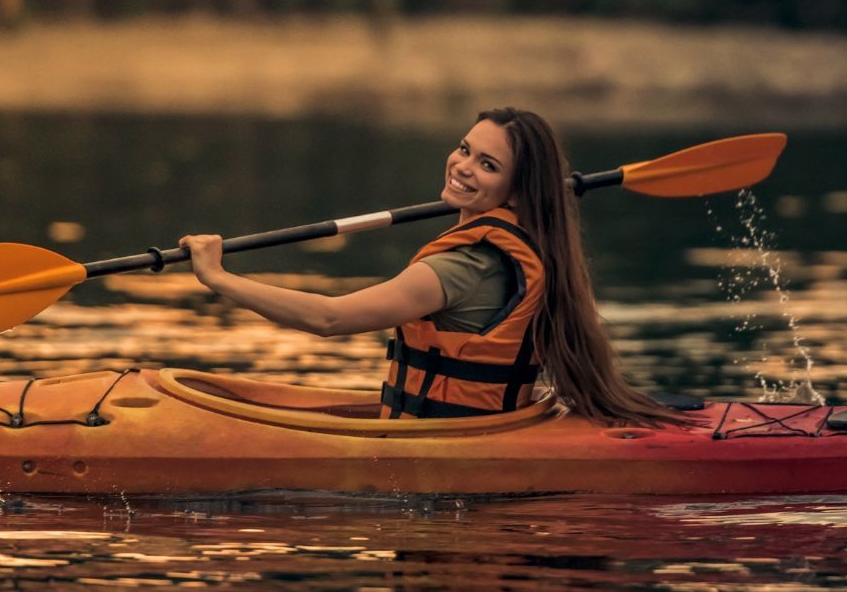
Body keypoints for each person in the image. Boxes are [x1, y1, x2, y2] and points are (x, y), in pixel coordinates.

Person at [178, 107, 680, 426]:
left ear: (518, 190)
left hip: (450, 441)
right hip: (461, 428)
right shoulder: (518, 241)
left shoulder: (467, 266)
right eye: (465, 149)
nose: (462, 166)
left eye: (488, 165)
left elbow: (329, 318)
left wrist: (218, 278)